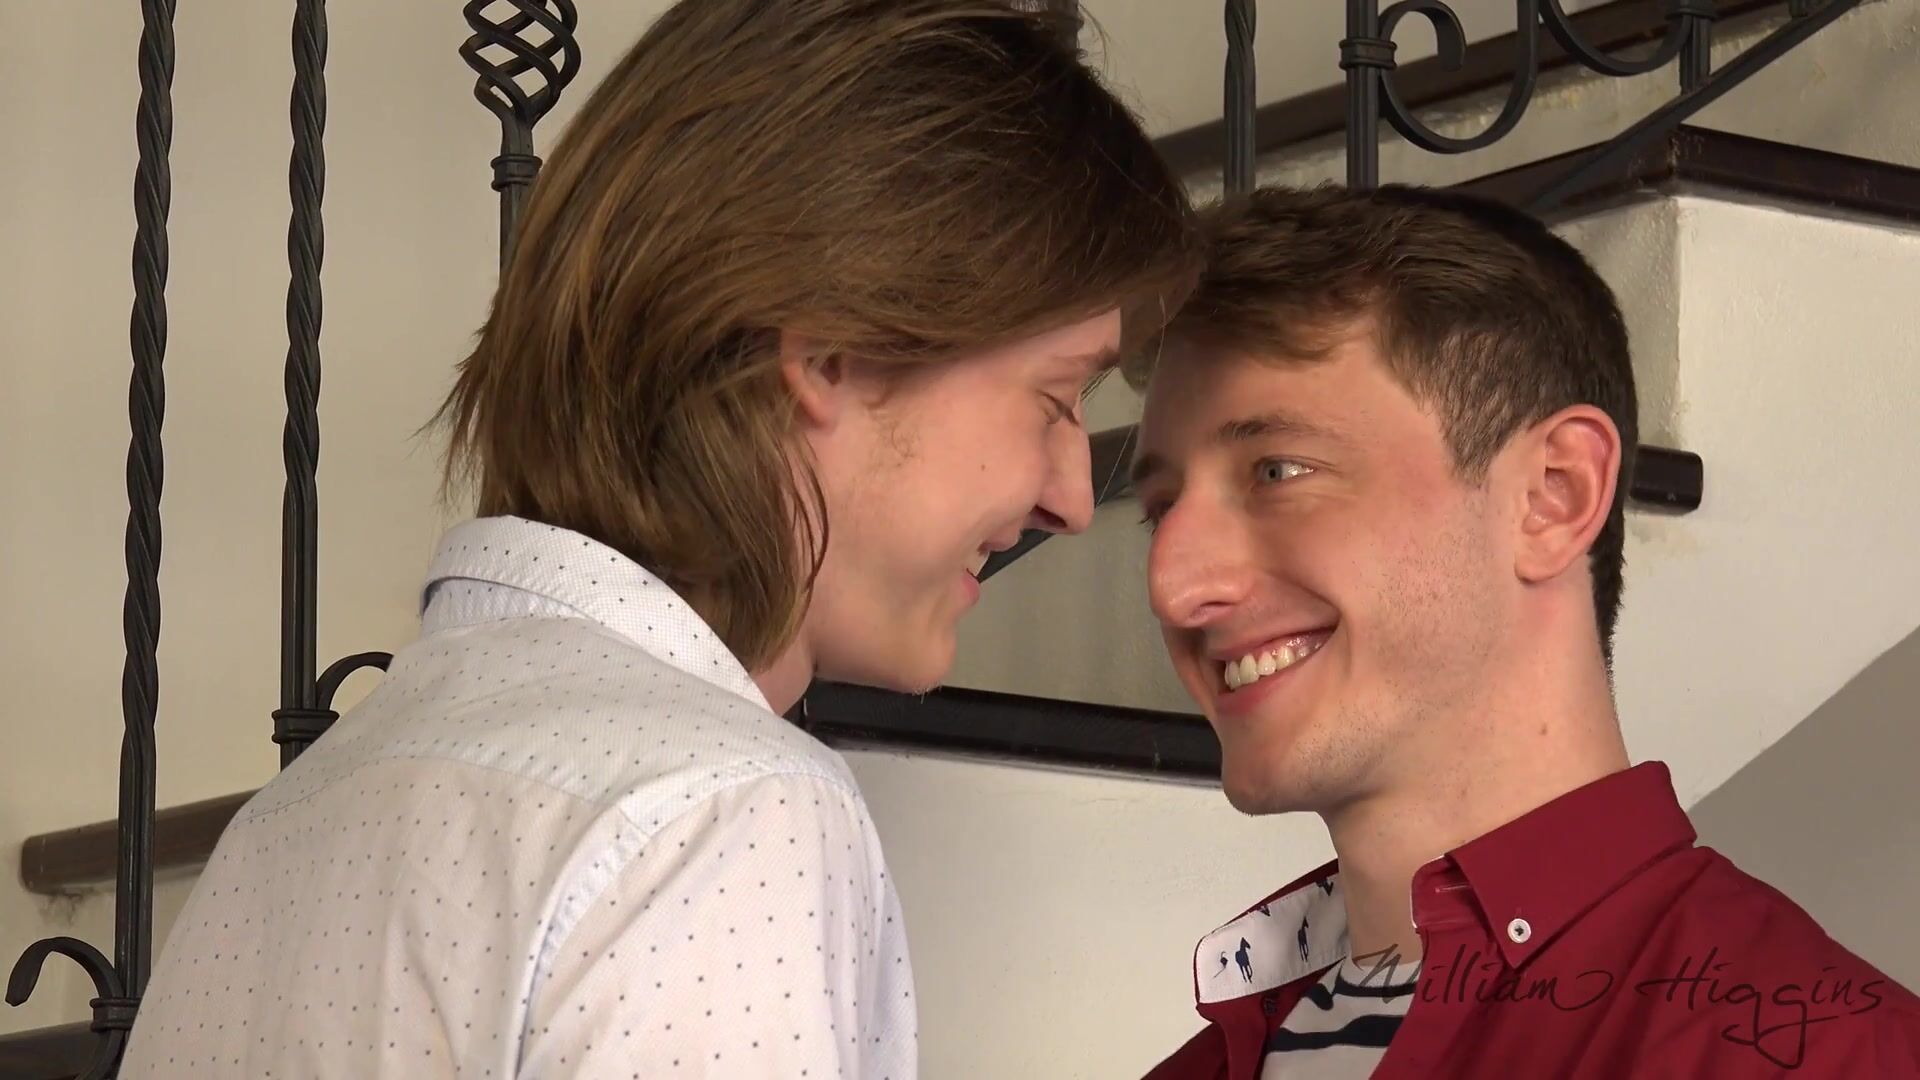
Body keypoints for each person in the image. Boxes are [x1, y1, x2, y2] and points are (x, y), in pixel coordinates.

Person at [120, 3, 1197, 1076]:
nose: (1071, 498)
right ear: (831, 353)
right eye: (1055, 397)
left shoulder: (290, 821)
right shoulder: (719, 812)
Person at [1126, 184, 1920, 1079]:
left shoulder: (1835, 1059)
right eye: (1160, 510)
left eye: (1278, 471)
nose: (1173, 585)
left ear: (1554, 495)